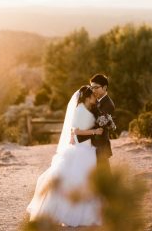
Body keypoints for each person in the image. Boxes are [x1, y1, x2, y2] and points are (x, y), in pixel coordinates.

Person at [26, 85, 103, 227]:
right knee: (79, 180)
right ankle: (73, 214)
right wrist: (95, 132)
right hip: (82, 151)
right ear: (87, 97)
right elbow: (77, 130)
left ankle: (84, 214)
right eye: (93, 96)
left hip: (86, 148)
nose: (95, 98)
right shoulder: (80, 110)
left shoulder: (85, 109)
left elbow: (74, 133)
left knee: (85, 181)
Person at [90, 74, 115, 173]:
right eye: (92, 87)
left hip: (101, 144)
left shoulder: (109, 104)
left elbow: (99, 123)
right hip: (92, 142)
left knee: (104, 173)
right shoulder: (95, 101)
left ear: (104, 87)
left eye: (96, 87)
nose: (93, 90)